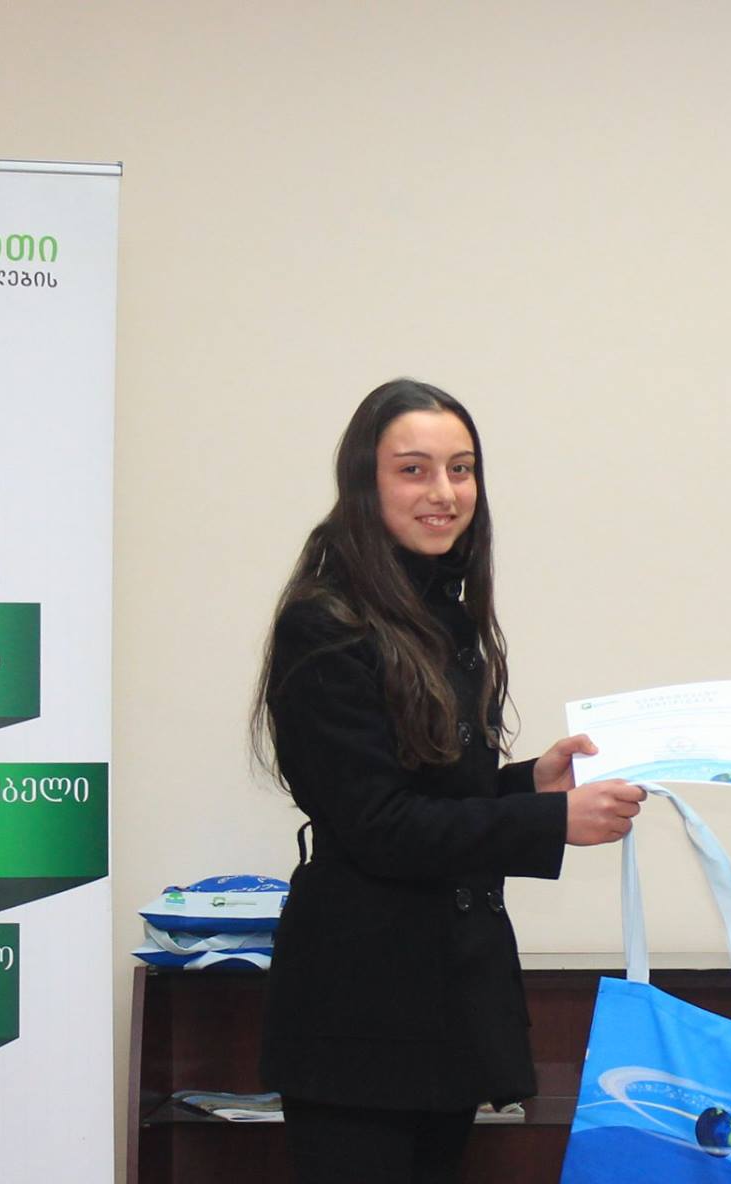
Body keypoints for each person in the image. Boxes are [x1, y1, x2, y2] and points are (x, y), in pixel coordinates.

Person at [253, 379, 647, 1184]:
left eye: (461, 469)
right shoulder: (324, 623)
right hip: (358, 1011)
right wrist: (551, 822)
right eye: (414, 470)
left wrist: (530, 785)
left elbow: (433, 795)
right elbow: (380, 825)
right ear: (365, 483)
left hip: (449, 999)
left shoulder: (445, 613)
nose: (444, 492)